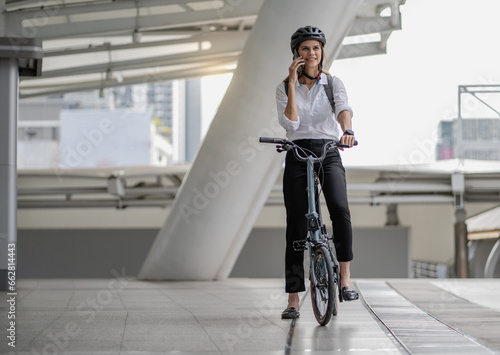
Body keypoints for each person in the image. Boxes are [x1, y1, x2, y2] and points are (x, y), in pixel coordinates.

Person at [276, 26, 358, 319]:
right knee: (296, 226)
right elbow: (292, 125)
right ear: (296, 53)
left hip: (328, 148)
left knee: (339, 208)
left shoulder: (332, 83)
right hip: (297, 151)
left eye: (316, 48)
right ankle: (293, 299)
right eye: (305, 49)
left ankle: (346, 279)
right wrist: (292, 84)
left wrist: (347, 130)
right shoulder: (284, 86)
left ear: (322, 52)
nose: (311, 53)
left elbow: (343, 110)